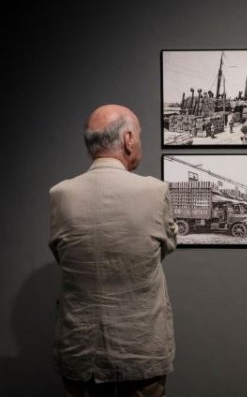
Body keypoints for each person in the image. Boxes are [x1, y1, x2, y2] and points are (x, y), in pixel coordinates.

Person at [48, 105, 177, 396]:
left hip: (80, 347)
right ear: (128, 139)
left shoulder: (60, 194)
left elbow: (61, 256)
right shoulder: (155, 192)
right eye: (139, 136)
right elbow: (165, 249)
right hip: (142, 347)